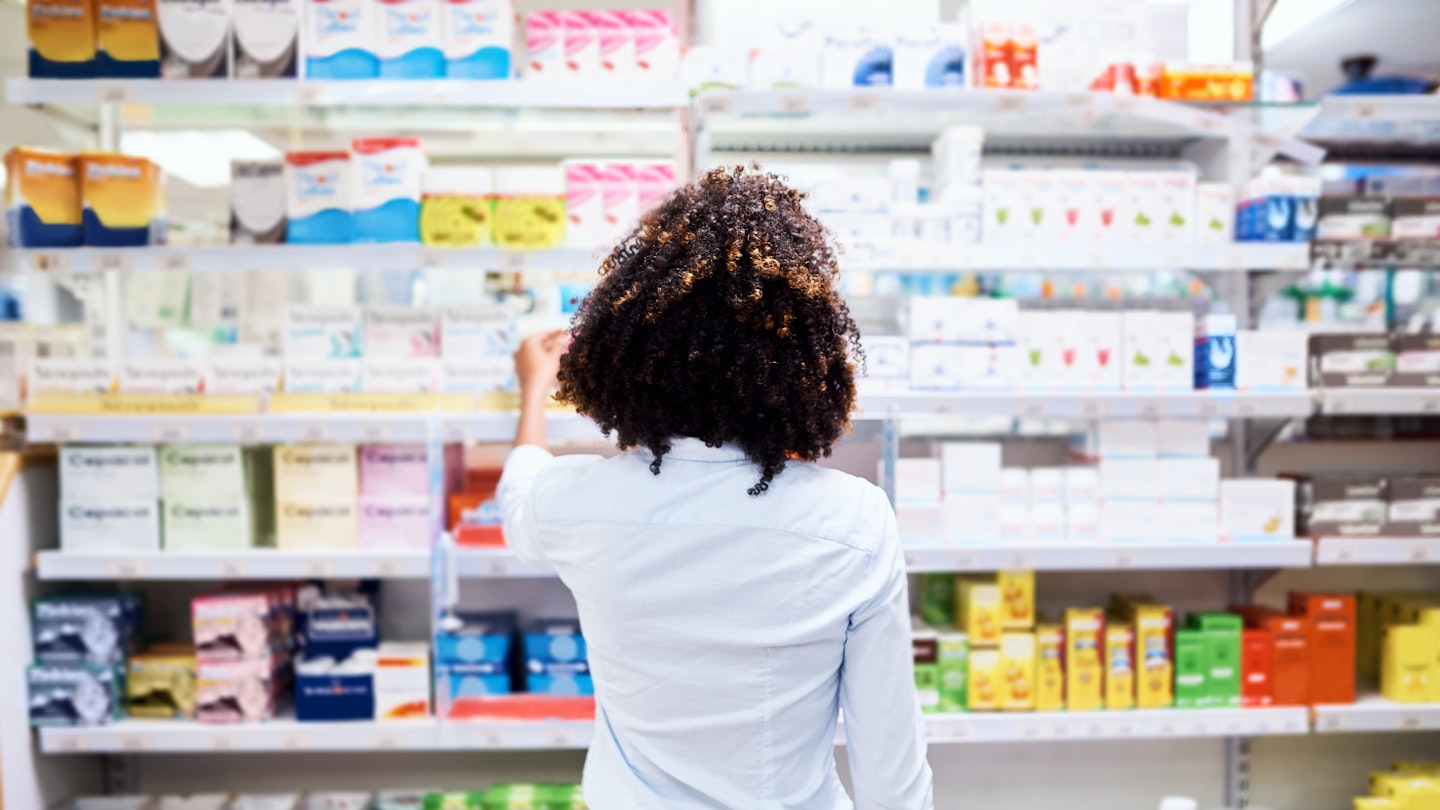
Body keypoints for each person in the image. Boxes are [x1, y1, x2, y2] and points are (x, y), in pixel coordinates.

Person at [499, 165, 933, 810]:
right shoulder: (853, 522)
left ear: (631, 349)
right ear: (802, 360)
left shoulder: (581, 504)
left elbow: (518, 492)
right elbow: (891, 776)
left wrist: (535, 388)